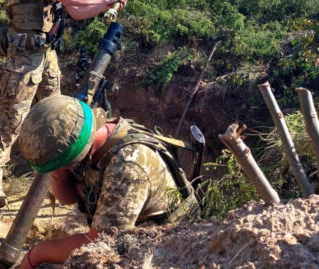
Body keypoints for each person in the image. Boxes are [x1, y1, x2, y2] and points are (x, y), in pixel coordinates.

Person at [0, 0, 129, 207]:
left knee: (56, 117)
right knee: (12, 118)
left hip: (47, 55)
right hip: (24, 57)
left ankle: (52, 179)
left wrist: (105, 6)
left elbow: (75, 11)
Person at [15, 95, 198, 268]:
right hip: (132, 237)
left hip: (167, 252)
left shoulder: (126, 165)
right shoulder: (86, 134)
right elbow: (67, 198)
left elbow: (101, 243)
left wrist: (37, 253)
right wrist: (58, 170)